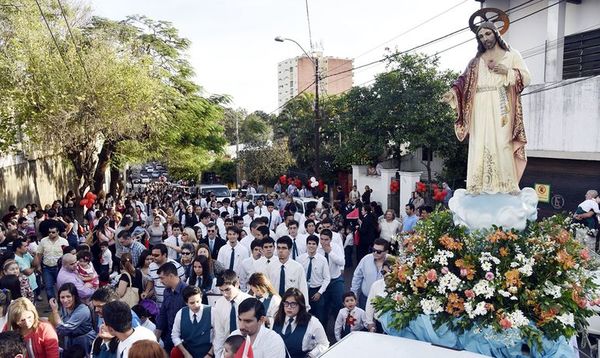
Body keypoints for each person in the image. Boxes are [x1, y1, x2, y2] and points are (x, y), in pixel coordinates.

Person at [442, 17, 530, 194]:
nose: (485, 38)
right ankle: (477, 185)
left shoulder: (512, 55)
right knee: (479, 142)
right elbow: (462, 81)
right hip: (479, 105)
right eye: (481, 36)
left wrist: (507, 71)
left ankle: (507, 185)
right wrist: (452, 93)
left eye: (488, 33)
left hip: (501, 103)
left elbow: (527, 78)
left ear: (496, 34)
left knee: (502, 141)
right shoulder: (476, 61)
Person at [272, 288, 329, 357]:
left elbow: (324, 344)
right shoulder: (276, 319)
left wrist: (311, 355)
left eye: (293, 304)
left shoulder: (312, 322)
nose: (289, 307)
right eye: (286, 303)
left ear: (300, 305)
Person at [213, 270, 252, 357]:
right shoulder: (219, 304)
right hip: (228, 352)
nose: (225, 294)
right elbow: (219, 334)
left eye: (227, 290)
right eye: (221, 290)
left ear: (237, 284)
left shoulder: (250, 302)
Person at [48, 283, 95, 354]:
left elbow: (62, 329)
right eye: (62, 297)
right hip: (70, 339)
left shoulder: (82, 310)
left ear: (74, 296)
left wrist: (55, 311)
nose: (65, 300)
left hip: (84, 341)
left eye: (68, 296)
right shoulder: (64, 307)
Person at [267, 236, 310, 309]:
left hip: (292, 306)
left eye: (284, 248)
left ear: (290, 250)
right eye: (279, 248)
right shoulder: (270, 266)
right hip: (274, 306)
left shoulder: (298, 268)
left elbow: (303, 289)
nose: (280, 251)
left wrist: (305, 308)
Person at [171, 285, 215, 358]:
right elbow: (175, 336)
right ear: (186, 303)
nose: (196, 305)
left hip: (209, 353)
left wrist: (210, 354)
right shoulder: (180, 313)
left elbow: (219, 336)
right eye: (192, 303)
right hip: (188, 353)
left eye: (198, 301)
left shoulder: (212, 312)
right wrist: (185, 353)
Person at [155, 262, 187, 352]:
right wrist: (156, 338)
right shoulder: (166, 292)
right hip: (169, 337)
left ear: (171, 276)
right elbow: (163, 315)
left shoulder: (187, 291)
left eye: (162, 278)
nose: (160, 281)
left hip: (184, 340)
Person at [297, 235, 330, 322]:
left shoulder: (323, 260)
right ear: (306, 245)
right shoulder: (299, 259)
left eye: (313, 244)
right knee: (304, 315)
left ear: (317, 245)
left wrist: (319, 292)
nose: (311, 246)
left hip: (317, 290)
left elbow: (327, 278)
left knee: (320, 316)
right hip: (303, 290)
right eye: (309, 243)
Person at [351, 238, 389, 309]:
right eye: (373, 250)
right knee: (365, 319)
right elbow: (357, 276)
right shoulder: (366, 259)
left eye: (379, 251)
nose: (375, 253)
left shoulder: (392, 262)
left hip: (384, 301)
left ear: (386, 252)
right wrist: (354, 292)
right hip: (365, 298)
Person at [36, 223, 69, 301]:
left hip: (60, 268)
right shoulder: (43, 241)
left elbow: (67, 254)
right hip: (46, 268)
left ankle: (62, 303)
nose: (51, 234)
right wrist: (38, 266)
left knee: (61, 287)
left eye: (53, 232)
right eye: (49, 232)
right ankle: (52, 304)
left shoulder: (64, 241)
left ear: (58, 232)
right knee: (48, 287)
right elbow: (39, 254)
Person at [365, 256, 396, 333]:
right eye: (383, 272)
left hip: (397, 325)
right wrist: (369, 322)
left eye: (390, 272)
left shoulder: (402, 287)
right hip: (380, 325)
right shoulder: (376, 285)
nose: (386, 275)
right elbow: (370, 304)